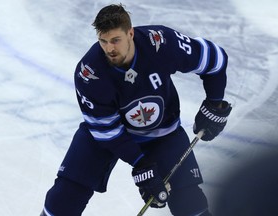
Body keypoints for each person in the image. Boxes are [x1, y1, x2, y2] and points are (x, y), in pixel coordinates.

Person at [40, 4, 232, 216]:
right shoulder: (90, 72)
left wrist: (215, 102)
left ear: (130, 33)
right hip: (106, 137)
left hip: (162, 132)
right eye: (103, 41)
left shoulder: (161, 43)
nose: (109, 49)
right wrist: (141, 165)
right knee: (65, 196)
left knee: (189, 200)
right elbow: (106, 131)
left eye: (115, 40)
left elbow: (215, 59)